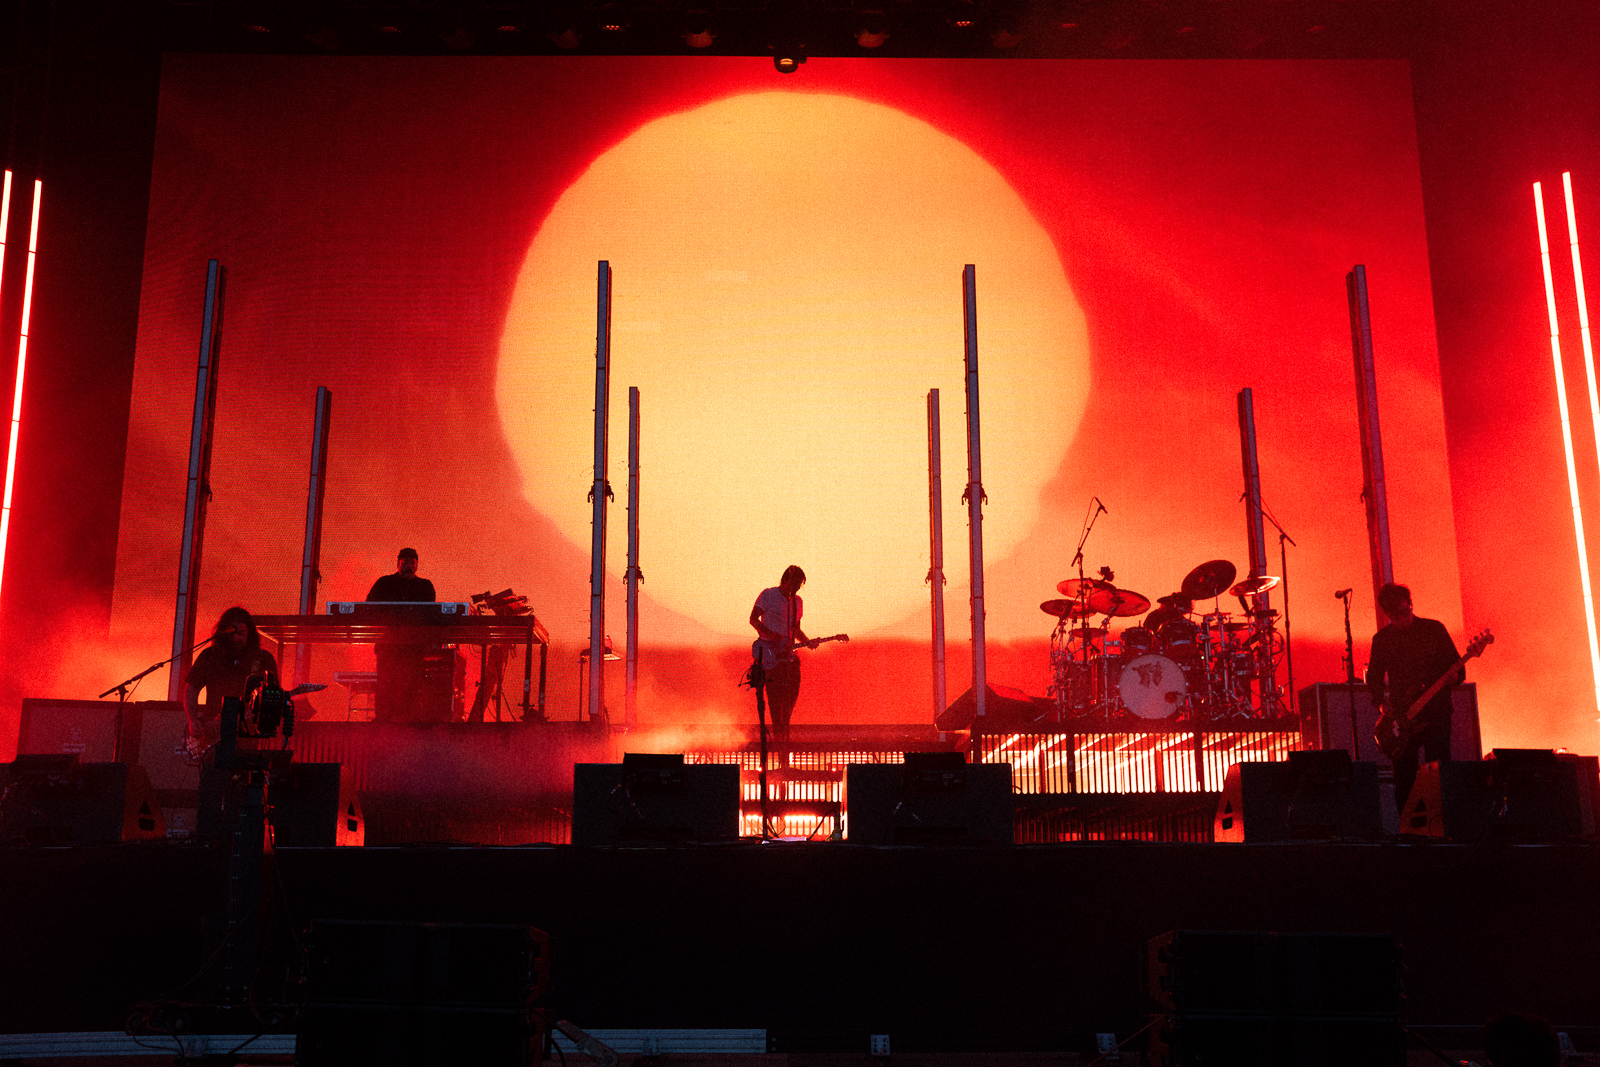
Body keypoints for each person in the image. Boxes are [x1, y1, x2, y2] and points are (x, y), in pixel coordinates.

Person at [1366, 582, 1463, 811]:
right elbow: (1374, 678)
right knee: (1404, 779)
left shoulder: (1434, 630)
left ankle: (1440, 832)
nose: (1402, 619)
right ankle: (1407, 833)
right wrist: (1380, 704)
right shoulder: (1382, 640)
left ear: (1411, 604)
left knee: (1437, 776)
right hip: (1403, 716)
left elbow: (1458, 668)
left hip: (1436, 713)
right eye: (1394, 616)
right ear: (1386, 614)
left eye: (1405, 611)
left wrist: (1454, 677)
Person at [182, 606, 279, 759]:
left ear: (250, 633)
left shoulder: (263, 659)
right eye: (231, 633)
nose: (236, 638)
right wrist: (192, 720)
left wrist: (255, 712)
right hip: (212, 735)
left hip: (246, 737)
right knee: (213, 777)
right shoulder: (210, 656)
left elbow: (273, 695)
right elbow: (191, 689)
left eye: (241, 633)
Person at [366, 547, 438, 722]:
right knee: (385, 684)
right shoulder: (384, 583)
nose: (408, 566)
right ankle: (384, 720)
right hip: (388, 646)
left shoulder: (425, 586)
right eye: (405, 563)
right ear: (398, 564)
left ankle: (407, 721)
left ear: (417, 565)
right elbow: (368, 607)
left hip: (412, 648)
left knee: (410, 685)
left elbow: (430, 615)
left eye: (412, 563)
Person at [749, 565, 816, 742]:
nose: (796, 590)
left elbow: (796, 630)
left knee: (793, 689)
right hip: (771, 655)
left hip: (788, 655)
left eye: (799, 587)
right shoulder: (768, 595)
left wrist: (808, 642)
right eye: (794, 585)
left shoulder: (798, 602)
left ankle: (784, 724)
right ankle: (778, 728)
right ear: (786, 580)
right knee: (774, 695)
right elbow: (753, 619)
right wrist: (770, 634)